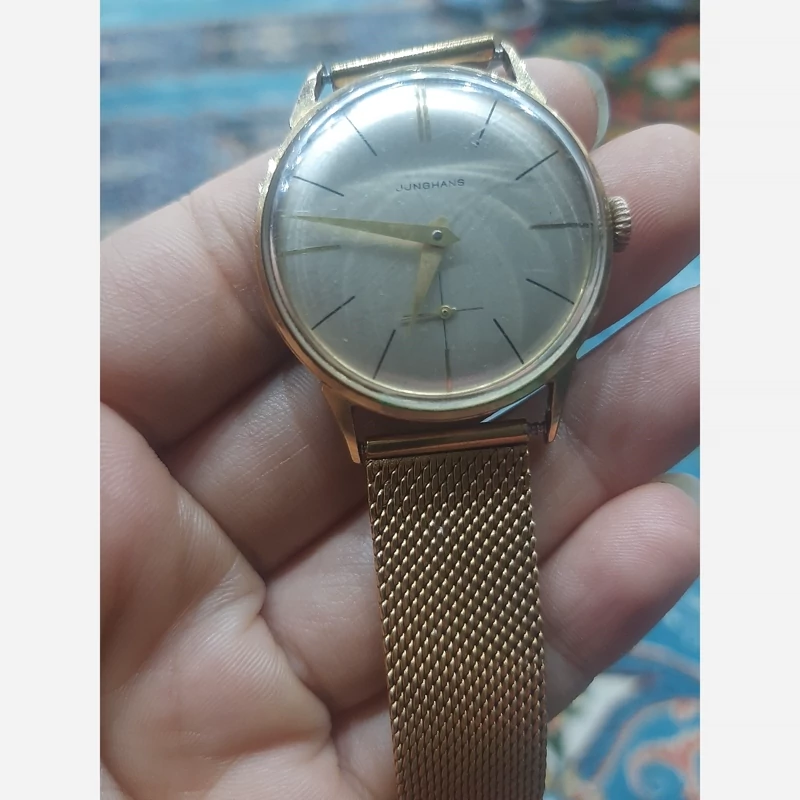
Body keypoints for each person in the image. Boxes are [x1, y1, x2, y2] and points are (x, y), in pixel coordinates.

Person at [100, 57, 699, 798]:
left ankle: (484, 775)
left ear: (609, 223)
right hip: (403, 390)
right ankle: (480, 778)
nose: (436, 238)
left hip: (501, 383)